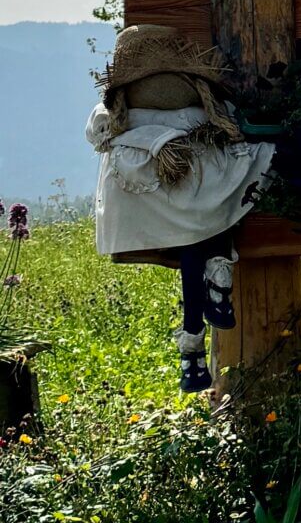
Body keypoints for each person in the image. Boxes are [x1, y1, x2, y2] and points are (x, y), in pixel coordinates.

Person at [85, 25, 275, 392]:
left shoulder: (120, 112)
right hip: (201, 188)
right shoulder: (198, 108)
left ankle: (192, 339)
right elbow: (231, 123)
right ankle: (214, 289)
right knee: (207, 212)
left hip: (158, 197)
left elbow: (98, 131)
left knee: (190, 231)